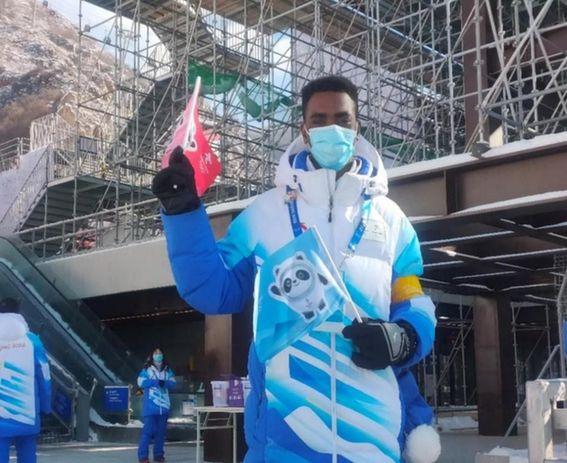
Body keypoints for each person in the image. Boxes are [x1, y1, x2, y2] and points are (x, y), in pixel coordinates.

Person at [152, 75, 438, 462]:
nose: (331, 128)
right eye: (319, 120)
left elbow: (413, 300)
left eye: (342, 119)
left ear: (357, 128)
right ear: (304, 130)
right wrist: (183, 213)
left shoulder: (392, 220)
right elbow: (213, 290)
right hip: (285, 435)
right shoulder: (264, 214)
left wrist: (403, 337)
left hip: (371, 435)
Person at [0, 298, 52, 463]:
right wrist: (46, 406)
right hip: (28, 412)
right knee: (28, 455)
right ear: (19, 313)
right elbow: (45, 376)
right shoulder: (33, 341)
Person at [137, 348, 176, 463]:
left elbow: (173, 383)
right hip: (150, 407)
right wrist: (155, 382)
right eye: (155, 353)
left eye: (160, 353)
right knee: (148, 432)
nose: (158, 355)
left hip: (163, 407)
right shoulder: (147, 369)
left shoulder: (167, 370)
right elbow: (141, 382)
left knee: (161, 433)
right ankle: (143, 456)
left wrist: (165, 383)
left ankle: (159, 455)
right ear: (152, 355)